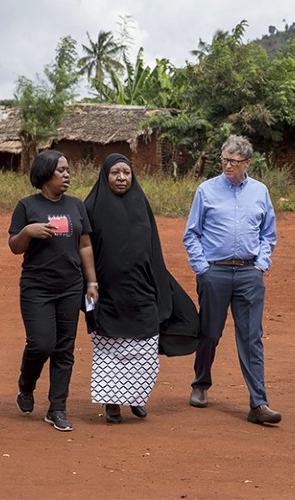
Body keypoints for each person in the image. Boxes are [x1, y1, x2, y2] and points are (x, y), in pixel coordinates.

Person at [83, 153, 198, 424]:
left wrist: (160, 285)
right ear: (105, 175)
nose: (122, 178)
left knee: (145, 348)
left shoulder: (141, 204)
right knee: (109, 349)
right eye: (115, 173)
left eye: (126, 173)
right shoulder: (91, 206)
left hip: (142, 290)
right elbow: (83, 250)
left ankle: (135, 397)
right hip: (107, 293)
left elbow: (153, 249)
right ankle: (112, 404)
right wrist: (89, 286)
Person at [183, 135, 281, 425]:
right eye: (224, 159)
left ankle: (258, 403)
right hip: (215, 272)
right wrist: (203, 268)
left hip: (249, 273)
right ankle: (200, 383)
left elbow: (268, 233)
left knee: (251, 337)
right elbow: (192, 234)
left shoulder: (260, 192)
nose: (227, 165)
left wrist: (260, 265)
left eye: (234, 161)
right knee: (210, 332)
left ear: (247, 163)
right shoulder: (206, 190)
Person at [9, 150, 98, 432]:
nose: (67, 175)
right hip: (37, 287)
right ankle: (26, 384)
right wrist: (28, 232)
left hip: (70, 287)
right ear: (46, 173)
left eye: (68, 170)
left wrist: (91, 282)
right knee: (42, 344)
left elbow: (85, 244)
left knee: (64, 349)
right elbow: (14, 246)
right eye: (61, 170)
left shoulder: (76, 206)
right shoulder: (27, 206)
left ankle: (57, 407)